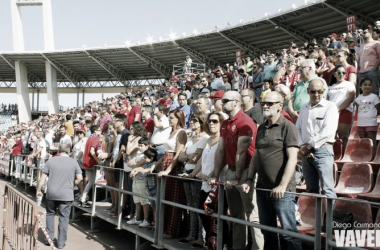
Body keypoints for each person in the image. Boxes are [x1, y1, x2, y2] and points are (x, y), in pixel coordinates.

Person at [209, 91, 264, 250]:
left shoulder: (244, 121)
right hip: (232, 170)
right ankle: (239, 247)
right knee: (236, 214)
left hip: (247, 171)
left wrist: (238, 178)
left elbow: (242, 152)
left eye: (225, 100)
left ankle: (258, 248)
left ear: (236, 102)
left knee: (252, 215)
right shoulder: (226, 123)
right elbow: (220, 150)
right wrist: (215, 174)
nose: (221, 102)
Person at [296, 79, 338, 198]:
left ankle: (328, 216)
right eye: (313, 91)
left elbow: (327, 131)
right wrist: (302, 146)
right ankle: (315, 216)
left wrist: (307, 147)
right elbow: (297, 128)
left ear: (324, 91)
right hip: (306, 151)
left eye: (319, 91)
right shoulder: (304, 107)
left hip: (323, 150)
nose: (316, 94)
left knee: (327, 189)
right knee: (311, 190)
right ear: (308, 91)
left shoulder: (330, 106)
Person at [149, 109, 187, 239]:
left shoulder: (181, 132)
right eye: (169, 117)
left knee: (173, 198)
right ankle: (164, 227)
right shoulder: (172, 131)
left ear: (178, 118)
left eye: (172, 118)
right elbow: (166, 153)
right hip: (165, 163)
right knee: (164, 198)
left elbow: (177, 154)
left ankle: (172, 230)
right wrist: (155, 165)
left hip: (173, 167)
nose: (169, 119)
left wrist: (168, 170)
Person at [36, 144, 83, 249]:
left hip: (52, 193)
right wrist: (72, 184)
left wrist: (38, 190)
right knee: (64, 218)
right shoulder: (73, 162)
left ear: (59, 151)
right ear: (69, 151)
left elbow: (42, 177)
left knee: (50, 214)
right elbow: (80, 178)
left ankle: (49, 239)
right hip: (66, 194)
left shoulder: (51, 161)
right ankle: (61, 243)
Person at [177, 112, 209, 247]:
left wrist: (187, 156)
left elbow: (197, 157)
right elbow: (180, 157)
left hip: (196, 174)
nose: (192, 123)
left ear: (202, 123)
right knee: (191, 205)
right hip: (186, 172)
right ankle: (192, 234)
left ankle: (201, 237)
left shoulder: (205, 138)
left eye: (195, 121)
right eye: (192, 120)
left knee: (198, 205)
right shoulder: (191, 138)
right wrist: (188, 156)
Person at [327, 65, 356, 148]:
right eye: (339, 73)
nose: (341, 74)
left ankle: (343, 155)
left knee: (343, 136)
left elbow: (350, 98)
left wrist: (338, 109)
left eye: (344, 73)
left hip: (345, 111)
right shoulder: (330, 87)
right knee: (332, 136)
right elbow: (327, 100)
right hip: (331, 113)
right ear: (334, 74)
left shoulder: (349, 84)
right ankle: (335, 156)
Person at [355, 77, 380, 156]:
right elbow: (359, 110)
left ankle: (373, 156)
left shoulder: (374, 97)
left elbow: (378, 109)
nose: (367, 86)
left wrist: (372, 116)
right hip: (361, 123)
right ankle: (365, 156)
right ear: (360, 86)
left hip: (371, 122)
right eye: (365, 84)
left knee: (371, 140)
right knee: (363, 141)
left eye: (369, 85)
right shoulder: (358, 99)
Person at [81, 125, 105, 206]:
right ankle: (84, 198)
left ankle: (84, 198)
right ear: (95, 131)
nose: (100, 132)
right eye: (99, 130)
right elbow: (92, 151)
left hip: (87, 161)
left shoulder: (90, 138)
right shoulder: (95, 138)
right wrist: (98, 161)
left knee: (91, 181)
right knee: (92, 181)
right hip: (92, 162)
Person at [358, 28, 380, 95]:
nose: (362, 34)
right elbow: (359, 59)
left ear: (370, 33)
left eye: (364, 32)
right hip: (361, 72)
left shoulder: (376, 43)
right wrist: (358, 71)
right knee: (363, 93)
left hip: (372, 71)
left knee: (374, 92)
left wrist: (374, 69)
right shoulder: (362, 45)